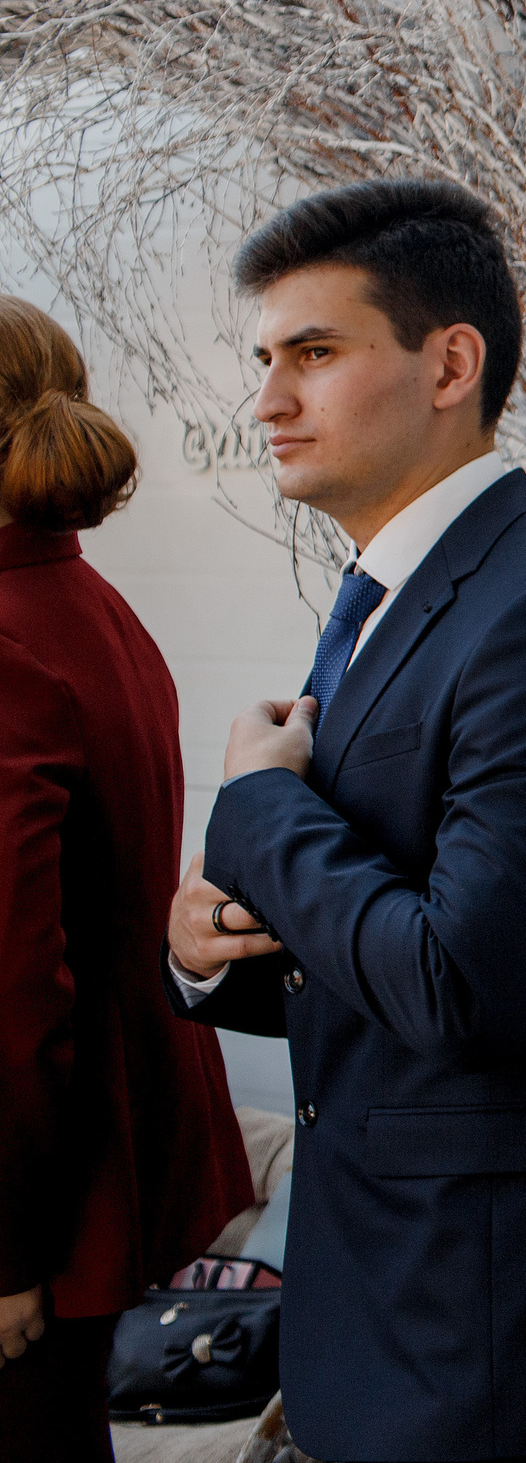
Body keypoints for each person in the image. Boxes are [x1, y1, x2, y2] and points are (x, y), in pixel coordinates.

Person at [162, 180, 526, 1463]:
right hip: (396, 1301)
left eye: (315, 354)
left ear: (450, 363)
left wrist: (256, 807)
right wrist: (210, 955)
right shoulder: (383, 600)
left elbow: (467, 983)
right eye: (266, 360)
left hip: (497, 1325)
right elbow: (373, 937)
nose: (268, 401)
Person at [0, 298, 254, 1461]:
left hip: (44, 1215)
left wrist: (7, 1253)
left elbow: (14, 993)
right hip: (99, 1174)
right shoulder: (86, 606)